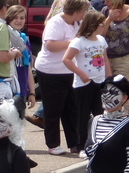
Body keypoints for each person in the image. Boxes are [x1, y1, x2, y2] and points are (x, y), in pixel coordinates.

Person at [34, 0, 89, 155]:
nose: (84, 14)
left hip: (69, 71)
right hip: (50, 71)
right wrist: (72, 43)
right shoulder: (56, 22)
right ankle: (53, 144)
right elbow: (50, 45)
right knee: (53, 109)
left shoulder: (77, 23)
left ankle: (75, 144)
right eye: (83, 11)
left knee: (71, 109)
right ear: (76, 10)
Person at [63, 10, 110, 153]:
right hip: (83, 84)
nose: (103, 27)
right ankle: (81, 145)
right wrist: (81, 74)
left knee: (99, 113)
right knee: (82, 115)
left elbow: (105, 59)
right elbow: (66, 59)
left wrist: (109, 77)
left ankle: (97, 141)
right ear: (92, 25)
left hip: (100, 81)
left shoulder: (101, 40)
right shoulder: (79, 41)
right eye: (101, 24)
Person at [100, 0, 129, 105]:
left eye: (108, 1)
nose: (105, 3)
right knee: (106, 95)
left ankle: (123, 120)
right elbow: (99, 36)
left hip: (125, 59)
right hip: (106, 60)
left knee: (122, 96)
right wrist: (109, 19)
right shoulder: (104, 11)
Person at [6, 4, 36, 107]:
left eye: (22, 18)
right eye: (15, 17)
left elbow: (28, 68)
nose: (19, 20)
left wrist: (32, 92)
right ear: (8, 18)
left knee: (19, 121)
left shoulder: (23, 39)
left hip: (22, 89)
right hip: (8, 89)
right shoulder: (5, 37)